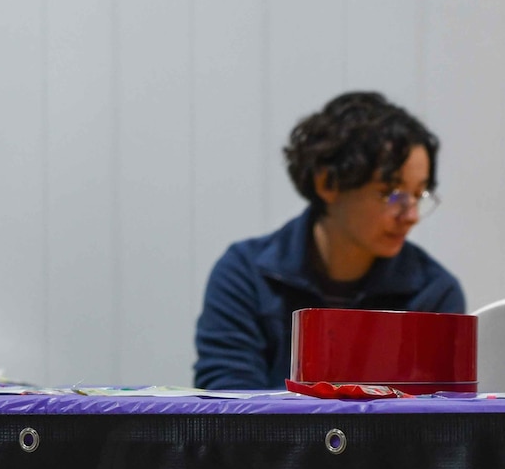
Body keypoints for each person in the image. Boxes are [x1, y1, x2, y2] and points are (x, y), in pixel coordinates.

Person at [194, 92, 464, 392]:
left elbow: (440, 419)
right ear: (328, 183)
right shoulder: (245, 274)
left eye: (419, 194)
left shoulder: (434, 292)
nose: (411, 215)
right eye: (392, 192)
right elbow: (229, 404)